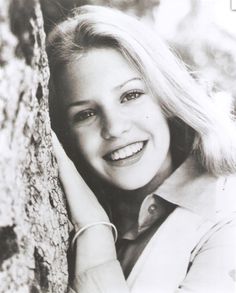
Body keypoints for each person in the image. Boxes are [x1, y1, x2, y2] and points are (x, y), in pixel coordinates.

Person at [47, 5, 236, 293]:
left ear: (165, 97)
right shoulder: (62, 217)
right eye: (85, 114)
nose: (114, 128)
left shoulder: (226, 214)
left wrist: (94, 233)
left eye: (130, 95)